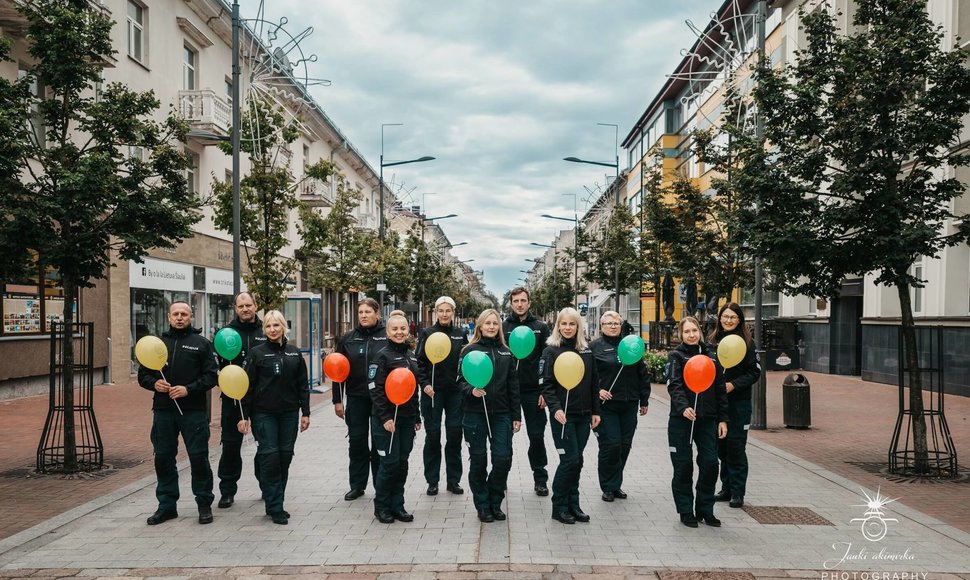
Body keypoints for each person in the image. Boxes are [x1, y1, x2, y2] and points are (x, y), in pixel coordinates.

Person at [137, 301, 219, 526]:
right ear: (169, 316)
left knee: (198, 457)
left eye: (184, 314)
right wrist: (155, 384)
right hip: (163, 411)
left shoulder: (202, 344)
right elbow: (143, 375)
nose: (180, 317)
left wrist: (188, 389)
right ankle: (166, 506)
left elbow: (211, 376)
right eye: (176, 314)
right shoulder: (158, 344)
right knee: (163, 458)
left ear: (191, 317)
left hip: (193, 411)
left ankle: (204, 504)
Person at [237, 310, 310, 525]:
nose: (272, 330)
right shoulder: (256, 354)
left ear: (283, 328)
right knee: (270, 456)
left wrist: (305, 412)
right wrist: (245, 415)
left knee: (284, 457)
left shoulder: (294, 353)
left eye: (276, 325)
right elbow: (246, 386)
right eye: (268, 326)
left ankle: (274, 498)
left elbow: (303, 386)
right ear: (264, 329)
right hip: (263, 414)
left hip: (289, 413)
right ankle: (275, 506)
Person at [457, 308, 520, 523]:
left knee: (503, 459)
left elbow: (513, 386)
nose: (491, 327)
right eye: (487, 323)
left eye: (495, 323)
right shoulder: (469, 350)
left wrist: (516, 416)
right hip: (474, 414)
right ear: (480, 326)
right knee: (479, 461)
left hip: (501, 414)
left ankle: (495, 501)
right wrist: (471, 390)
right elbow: (459, 381)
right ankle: (483, 505)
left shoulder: (506, 352)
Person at [667, 316, 729, 528]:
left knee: (711, 464)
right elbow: (673, 385)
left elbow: (720, 390)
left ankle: (705, 509)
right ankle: (686, 510)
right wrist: (684, 407)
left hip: (708, 419)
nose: (691, 335)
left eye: (694, 330)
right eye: (687, 332)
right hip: (681, 420)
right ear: (680, 335)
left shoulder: (712, 356)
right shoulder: (676, 356)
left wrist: (723, 419)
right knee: (683, 466)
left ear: (700, 332)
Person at [540, 307, 600, 524]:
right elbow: (546, 385)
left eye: (571, 324)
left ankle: (574, 505)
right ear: (558, 326)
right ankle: (559, 506)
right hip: (562, 417)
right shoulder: (550, 351)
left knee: (578, 460)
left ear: (578, 326)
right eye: (563, 324)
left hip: (583, 415)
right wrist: (555, 408)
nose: (567, 328)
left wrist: (595, 411)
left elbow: (594, 382)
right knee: (569, 460)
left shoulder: (586, 351)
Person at [590, 311, 650, 502]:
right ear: (602, 326)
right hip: (606, 407)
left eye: (616, 323)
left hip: (629, 403)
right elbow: (586, 376)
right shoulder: (594, 348)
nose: (613, 326)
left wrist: (644, 399)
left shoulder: (630, 345)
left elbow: (642, 373)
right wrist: (598, 390)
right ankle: (607, 486)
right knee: (611, 445)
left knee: (624, 445)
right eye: (608, 323)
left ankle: (616, 484)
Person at [214, 291, 266, 509]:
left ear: (255, 305)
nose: (245, 309)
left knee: (265, 446)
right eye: (240, 306)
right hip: (233, 399)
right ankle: (227, 491)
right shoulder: (225, 334)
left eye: (248, 305)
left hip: (263, 399)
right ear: (235, 309)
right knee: (231, 446)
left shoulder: (267, 331)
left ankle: (267, 485)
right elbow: (216, 367)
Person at [369, 313, 422, 523]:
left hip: (407, 419)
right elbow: (375, 391)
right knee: (389, 463)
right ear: (387, 332)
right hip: (387, 421)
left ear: (408, 331)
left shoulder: (411, 356)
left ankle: (398, 505)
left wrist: (417, 416)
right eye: (394, 329)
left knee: (402, 463)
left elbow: (412, 390)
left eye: (402, 329)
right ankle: (381, 506)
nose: (399, 332)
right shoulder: (381, 357)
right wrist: (384, 418)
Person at [333, 298, 388, 501]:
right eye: (360, 312)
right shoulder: (348, 339)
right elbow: (337, 371)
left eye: (367, 312)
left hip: (380, 400)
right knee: (357, 442)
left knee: (379, 443)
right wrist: (337, 400)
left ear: (377, 313)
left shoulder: (386, 337)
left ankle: (380, 485)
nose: (363, 315)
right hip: (356, 398)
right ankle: (357, 485)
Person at [415, 296, 469, 495]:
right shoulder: (427, 333)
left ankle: (454, 480)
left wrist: (465, 384)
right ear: (436, 312)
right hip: (432, 393)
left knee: (455, 435)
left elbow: (465, 362)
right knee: (433, 436)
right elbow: (418, 363)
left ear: (453, 312)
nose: (444, 314)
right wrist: (425, 384)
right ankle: (432, 480)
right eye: (441, 311)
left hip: (455, 393)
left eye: (448, 311)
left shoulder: (460, 334)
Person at [708, 302, 760, 508]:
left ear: (739, 320)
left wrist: (733, 385)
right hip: (716, 404)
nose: (728, 320)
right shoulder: (712, 342)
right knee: (721, 448)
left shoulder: (748, 343)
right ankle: (726, 488)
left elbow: (754, 372)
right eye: (725, 317)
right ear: (720, 318)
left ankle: (738, 492)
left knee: (736, 447)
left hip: (738, 404)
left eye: (733, 317)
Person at [502, 287, 552, 496]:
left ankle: (540, 478)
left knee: (537, 436)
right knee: (504, 438)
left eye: (523, 300)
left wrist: (545, 392)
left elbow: (547, 359)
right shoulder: (503, 327)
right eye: (516, 301)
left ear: (529, 302)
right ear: (511, 303)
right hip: (507, 392)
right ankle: (500, 477)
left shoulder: (540, 327)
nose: (520, 304)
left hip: (534, 392)